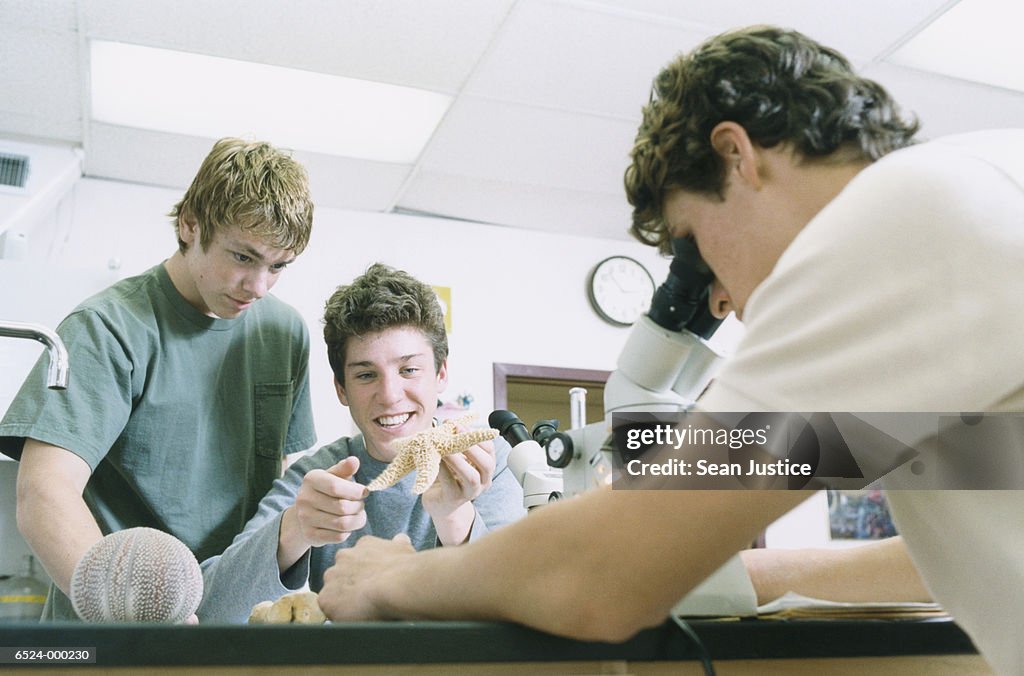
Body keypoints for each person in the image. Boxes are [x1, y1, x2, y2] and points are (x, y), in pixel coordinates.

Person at [313, 26, 1023, 675]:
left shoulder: (900, 225)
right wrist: (717, 563)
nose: (725, 303)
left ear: (735, 154)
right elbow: (934, 553)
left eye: (697, 240)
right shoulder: (973, 197)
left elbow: (601, 578)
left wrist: (390, 579)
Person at [0, 137, 316, 621]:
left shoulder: (284, 332)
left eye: (278, 266)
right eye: (243, 257)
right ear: (190, 225)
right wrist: (125, 616)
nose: (259, 286)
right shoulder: (107, 327)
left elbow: (279, 484)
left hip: (228, 622)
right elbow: (43, 493)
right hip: (111, 628)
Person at [197, 263, 526, 623]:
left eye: (409, 369)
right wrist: (294, 530)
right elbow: (212, 611)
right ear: (342, 389)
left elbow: (519, 606)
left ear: (441, 373)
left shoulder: (485, 461)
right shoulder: (321, 476)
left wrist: (453, 515)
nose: (389, 396)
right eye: (366, 375)